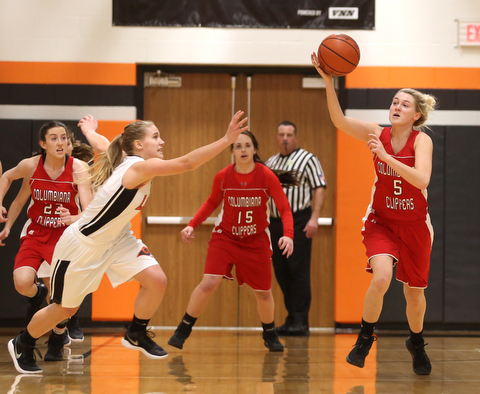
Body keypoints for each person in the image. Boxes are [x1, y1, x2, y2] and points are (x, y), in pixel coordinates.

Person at [7, 111, 248, 374]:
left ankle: (136, 331)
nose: (162, 142)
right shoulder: (139, 167)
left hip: (118, 238)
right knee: (65, 308)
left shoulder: (124, 157)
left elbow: (103, 145)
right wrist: (227, 140)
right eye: (156, 137)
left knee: (157, 280)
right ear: (138, 145)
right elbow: (187, 163)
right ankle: (23, 343)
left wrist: (89, 131)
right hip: (84, 244)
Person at [311, 53, 436, 376]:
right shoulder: (375, 132)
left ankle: (417, 342)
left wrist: (385, 157)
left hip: (415, 226)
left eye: (404, 104)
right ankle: (365, 338)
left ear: (417, 114)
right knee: (381, 277)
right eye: (394, 101)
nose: (396, 106)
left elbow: (422, 180)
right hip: (382, 221)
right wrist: (328, 82)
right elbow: (339, 121)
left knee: (414, 294)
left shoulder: (422, 141)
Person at [168, 130, 296, 352]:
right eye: (238, 146)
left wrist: (288, 234)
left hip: (256, 240)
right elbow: (211, 203)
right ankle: (183, 329)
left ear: (254, 150)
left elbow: (284, 207)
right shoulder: (223, 176)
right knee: (209, 282)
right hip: (225, 238)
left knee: (264, 292)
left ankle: (270, 333)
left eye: (247, 145)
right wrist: (192, 224)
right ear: (232, 151)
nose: (243, 150)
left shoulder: (266, 175)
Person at [0, 120, 93, 361]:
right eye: (54, 138)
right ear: (43, 144)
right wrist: (4, 216)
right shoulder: (31, 166)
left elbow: (91, 208)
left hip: (64, 238)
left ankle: (57, 337)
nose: (60, 142)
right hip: (36, 232)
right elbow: (8, 177)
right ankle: (36, 294)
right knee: (21, 282)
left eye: (64, 137)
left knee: (60, 299)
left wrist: (74, 217)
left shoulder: (78, 168)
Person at [266, 121, 326, 336]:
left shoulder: (309, 160)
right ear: (276, 137)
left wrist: (314, 218)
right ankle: (291, 318)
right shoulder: (270, 162)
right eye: (281, 134)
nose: (285, 138)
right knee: (281, 271)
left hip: (300, 221)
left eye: (289, 134)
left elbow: (319, 188)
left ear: (295, 137)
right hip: (275, 223)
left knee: (298, 271)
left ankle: (301, 321)